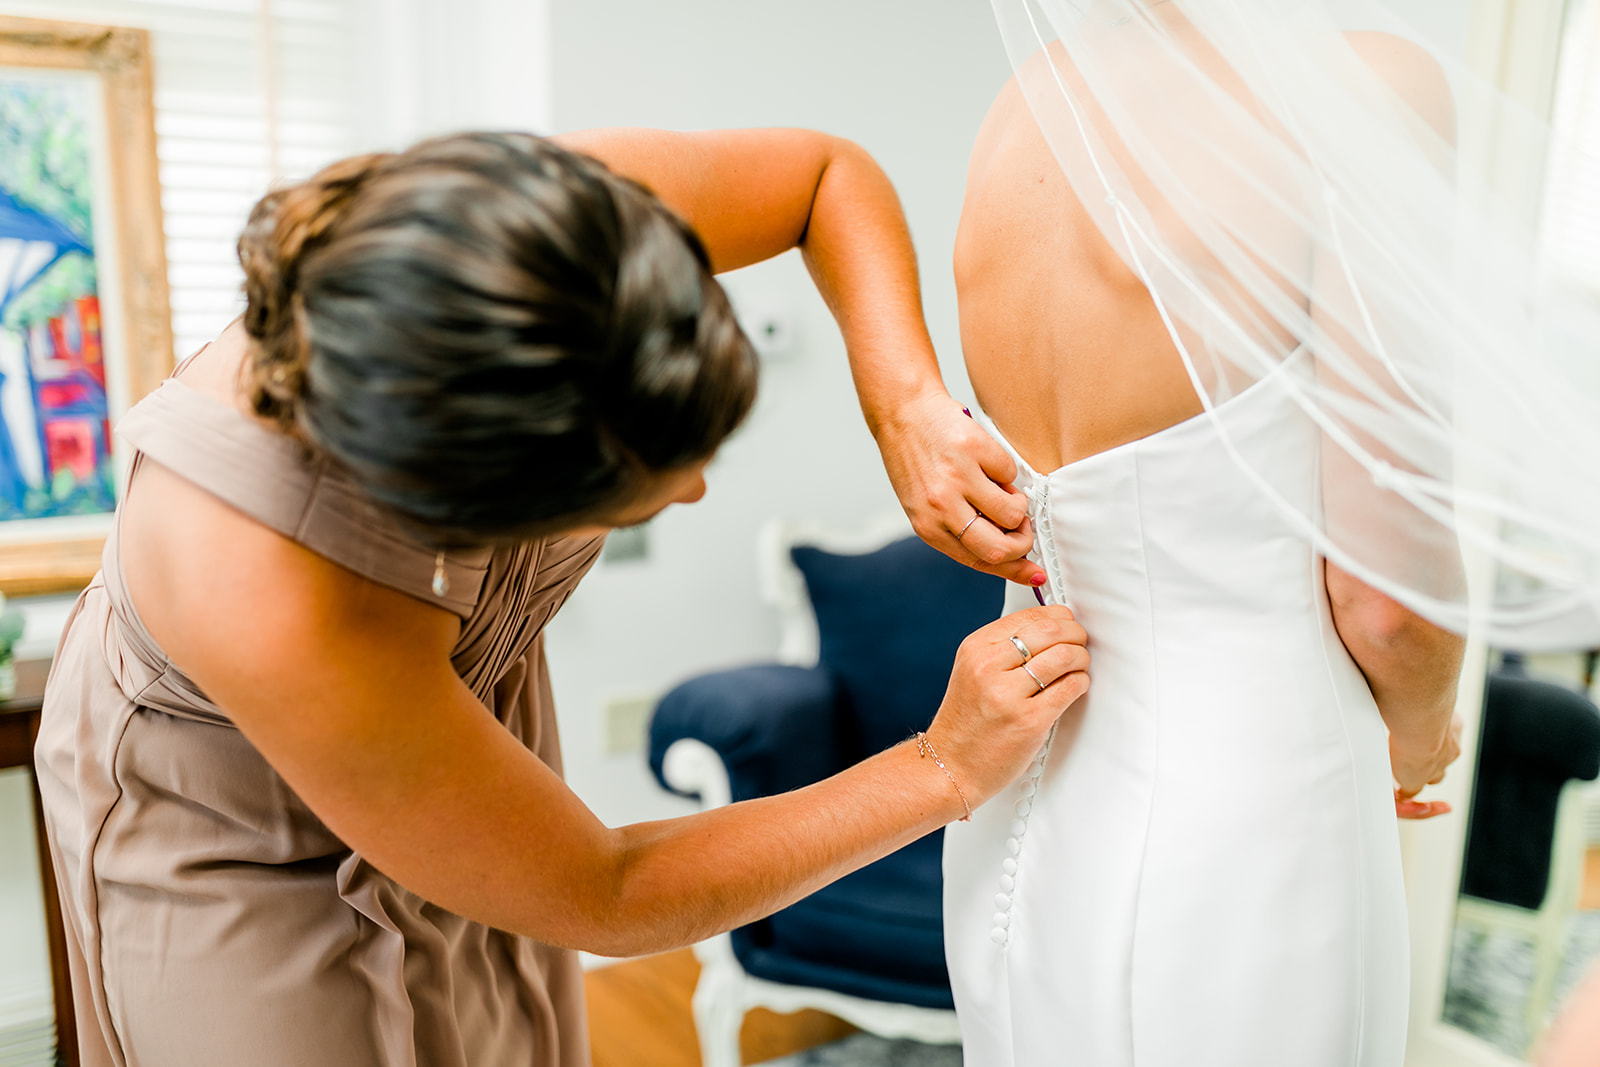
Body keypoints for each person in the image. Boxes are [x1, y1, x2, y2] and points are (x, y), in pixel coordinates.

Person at [32, 128, 1091, 1067]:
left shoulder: (556, 241)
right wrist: (941, 764)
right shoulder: (273, 591)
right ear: (455, 501)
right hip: (231, 824)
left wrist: (902, 404)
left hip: (435, 709)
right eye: (638, 489)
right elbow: (604, 888)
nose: (693, 491)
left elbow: (823, 175)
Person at [845, 9, 1479, 1067]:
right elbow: (1388, 600)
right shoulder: (1360, 88)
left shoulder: (1029, 100)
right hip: (1257, 803)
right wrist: (1417, 735)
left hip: (1023, 785)